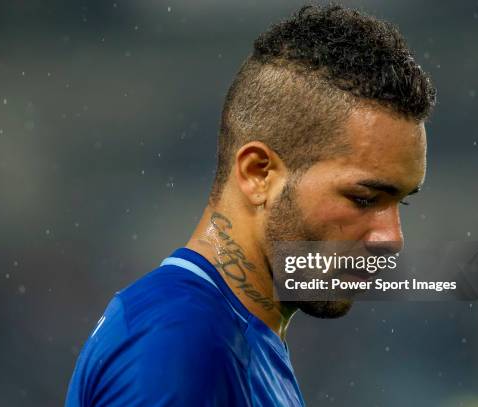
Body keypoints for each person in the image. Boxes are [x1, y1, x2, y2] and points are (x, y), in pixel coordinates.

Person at [65, 4, 436, 406]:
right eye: (363, 198)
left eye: (401, 203)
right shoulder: (183, 342)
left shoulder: (243, 340)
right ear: (258, 174)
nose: (391, 238)